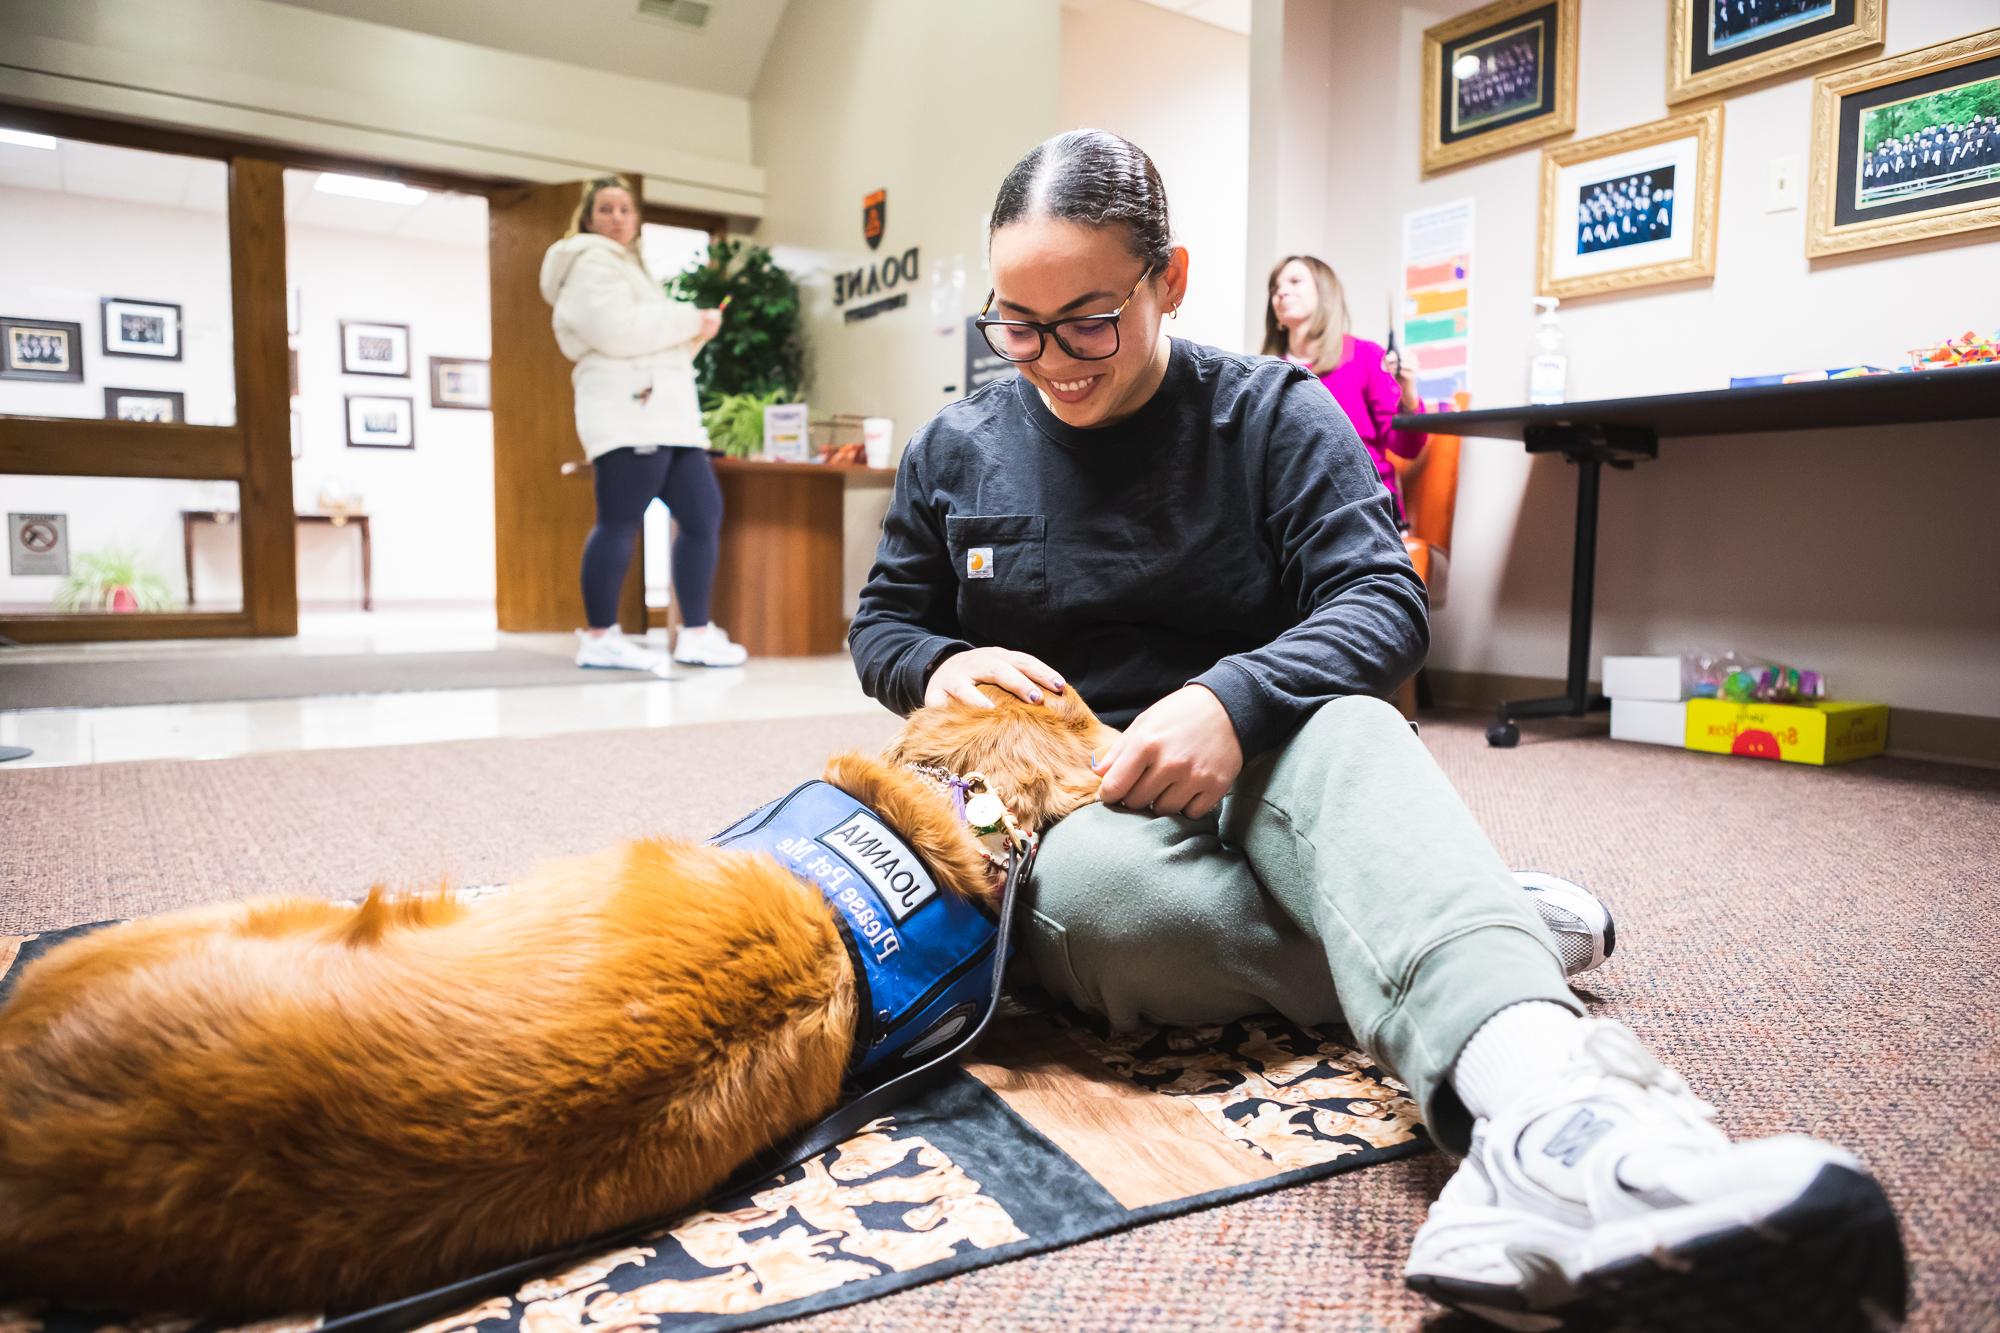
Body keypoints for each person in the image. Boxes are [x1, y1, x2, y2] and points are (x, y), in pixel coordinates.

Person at [848, 129, 1904, 1330]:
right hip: (1077, 794)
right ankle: (1471, 913)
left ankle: (1559, 1121)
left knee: (1354, 734)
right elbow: (882, 624)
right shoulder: (957, 446)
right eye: (1016, 326)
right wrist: (945, 660)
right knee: (1117, 927)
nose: (1048, 361)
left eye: (1086, 320)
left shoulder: (1270, 411)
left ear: (1171, 281)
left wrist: (1231, 700)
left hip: (1273, 741)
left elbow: (1379, 595)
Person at [539, 175, 747, 671]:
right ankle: (598, 635)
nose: (616, 217)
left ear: (637, 220)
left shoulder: (632, 268)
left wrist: (697, 331)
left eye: (624, 209)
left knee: (701, 515)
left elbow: (652, 339)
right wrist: (688, 319)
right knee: (619, 520)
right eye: (606, 209)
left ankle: (695, 632)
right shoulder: (589, 260)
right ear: (588, 218)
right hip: (627, 411)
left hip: (668, 416)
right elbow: (615, 331)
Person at [1263, 255, 1428, 525]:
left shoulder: (1365, 357)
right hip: (1288, 513)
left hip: (1361, 510)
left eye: (1294, 281)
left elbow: (1407, 447)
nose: (1281, 291)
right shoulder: (1265, 372)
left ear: (1324, 294)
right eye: (1275, 287)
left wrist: (1408, 394)